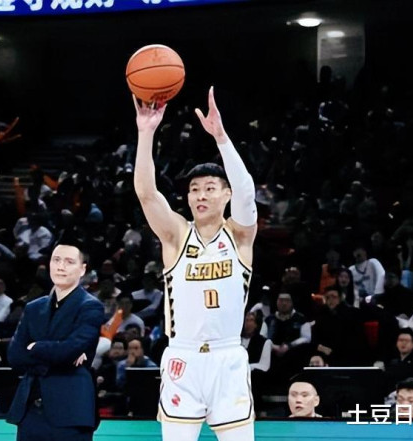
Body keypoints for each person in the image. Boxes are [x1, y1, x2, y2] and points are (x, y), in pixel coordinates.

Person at [133, 86, 257, 440]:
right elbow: (146, 194)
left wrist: (221, 138)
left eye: (210, 188)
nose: (201, 195)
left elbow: (247, 190)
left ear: (226, 194)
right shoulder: (176, 235)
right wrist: (146, 133)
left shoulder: (240, 236)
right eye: (194, 189)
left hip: (227, 356)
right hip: (183, 357)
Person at [6, 234, 105, 441]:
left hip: (71, 409)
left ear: (82, 269)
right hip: (30, 409)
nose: (61, 267)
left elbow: (70, 349)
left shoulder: (90, 307)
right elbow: (15, 355)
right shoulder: (33, 308)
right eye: (56, 260)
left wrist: (36, 348)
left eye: (69, 262)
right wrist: (60, 355)